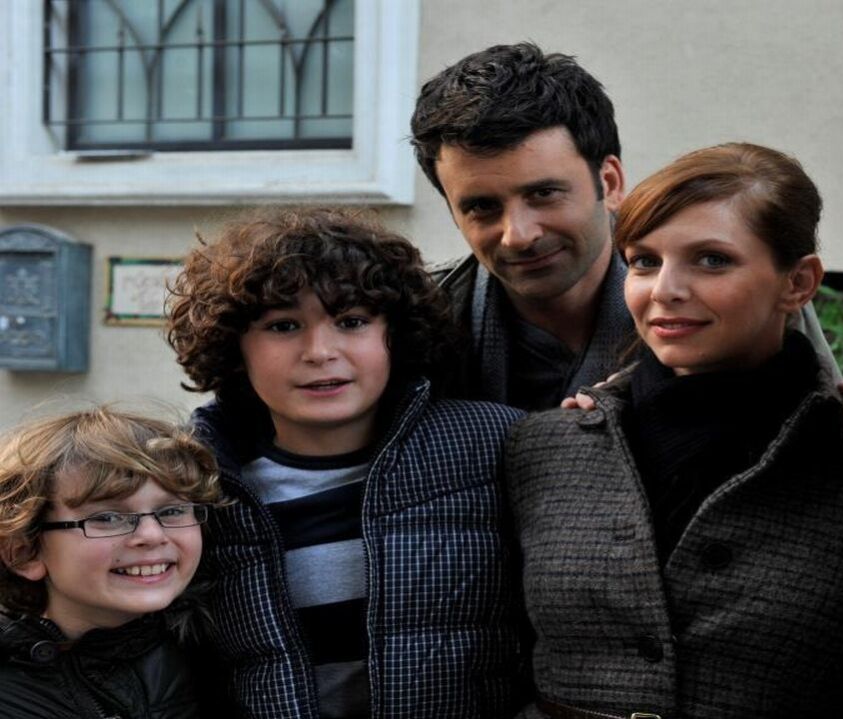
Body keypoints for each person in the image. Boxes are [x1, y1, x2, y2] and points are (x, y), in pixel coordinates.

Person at [504, 143, 843, 719]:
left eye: (711, 260)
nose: (665, 290)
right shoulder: (545, 447)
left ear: (798, 282)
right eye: (644, 261)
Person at [410, 42, 843, 430]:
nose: (519, 234)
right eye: (481, 207)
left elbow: (818, 433)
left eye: (544, 194)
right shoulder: (414, 319)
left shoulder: (726, 296)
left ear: (609, 182)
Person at [165, 207, 525, 718]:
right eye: (283, 325)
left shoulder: (493, 443)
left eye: (352, 321)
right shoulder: (190, 486)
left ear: (395, 334)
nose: (320, 351)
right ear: (234, 346)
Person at [0, 406, 222, 719]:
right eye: (108, 518)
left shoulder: (225, 649)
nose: (151, 535)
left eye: (172, 511)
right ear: (24, 553)